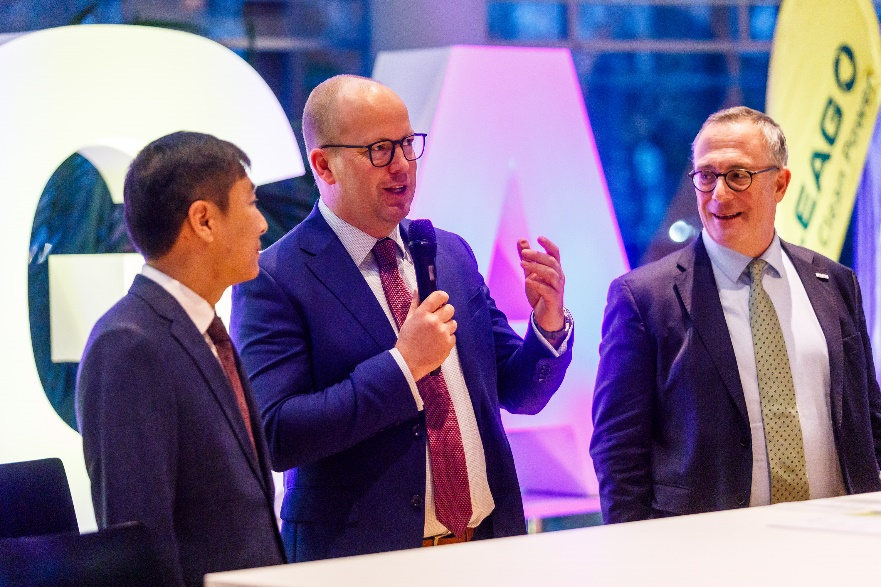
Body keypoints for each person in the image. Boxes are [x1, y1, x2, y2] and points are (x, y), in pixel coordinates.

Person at [230, 74, 573, 562]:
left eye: (408, 145)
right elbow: (277, 435)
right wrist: (403, 366)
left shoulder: (449, 253)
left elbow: (520, 392)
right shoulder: (276, 278)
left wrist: (548, 325)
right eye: (379, 150)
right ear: (324, 165)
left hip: (487, 547)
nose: (402, 166)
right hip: (362, 562)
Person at [590, 106, 881, 524]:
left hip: (837, 536)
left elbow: (868, 417)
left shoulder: (834, 283)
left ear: (779, 184)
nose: (719, 195)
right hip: (709, 546)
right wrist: (634, 548)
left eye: (738, 175)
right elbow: (618, 451)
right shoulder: (644, 299)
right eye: (706, 176)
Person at [76, 131, 286, 586]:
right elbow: (141, 545)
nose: (262, 223)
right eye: (251, 202)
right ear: (203, 220)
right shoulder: (128, 345)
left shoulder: (204, 329)